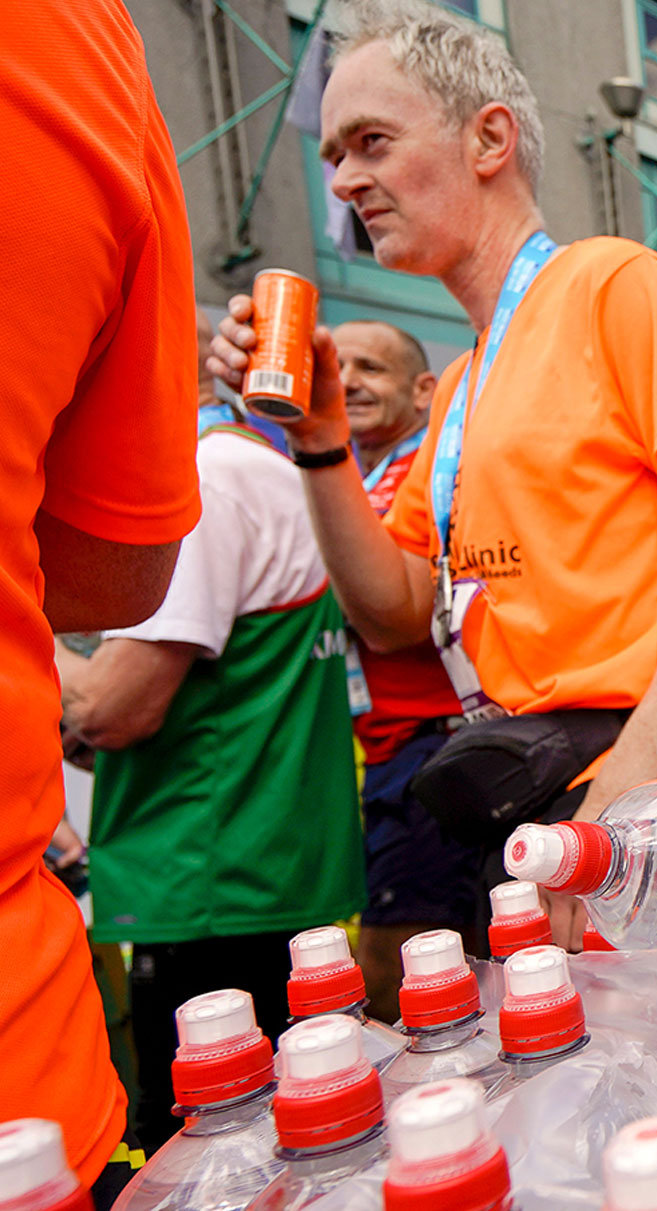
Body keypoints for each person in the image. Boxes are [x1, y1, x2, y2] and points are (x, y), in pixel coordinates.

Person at [208, 0, 657, 950]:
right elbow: (394, 611)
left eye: (372, 141)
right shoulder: (466, 379)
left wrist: (609, 812)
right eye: (333, 157)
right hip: (530, 790)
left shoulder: (614, 283)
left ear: (489, 138)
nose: (348, 178)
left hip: (649, 797)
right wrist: (319, 441)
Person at [58, 375, 365, 1152]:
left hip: (212, 878)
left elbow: (113, 708)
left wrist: (22, 631)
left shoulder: (206, 479)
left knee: (206, 1154)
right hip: (261, 864)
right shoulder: (261, 468)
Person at [3, 0, 202, 1188]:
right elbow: (103, 565)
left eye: (372, 147)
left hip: (192, 872)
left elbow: (120, 690)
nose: (345, 181)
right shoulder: (80, 39)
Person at [331, 320, 480, 1018]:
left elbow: (404, 615)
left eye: (371, 367)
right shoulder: (347, 475)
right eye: (336, 367)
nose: (348, 382)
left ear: (424, 390)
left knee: (403, 966)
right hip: (375, 746)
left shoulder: (435, 470)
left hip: (433, 745)